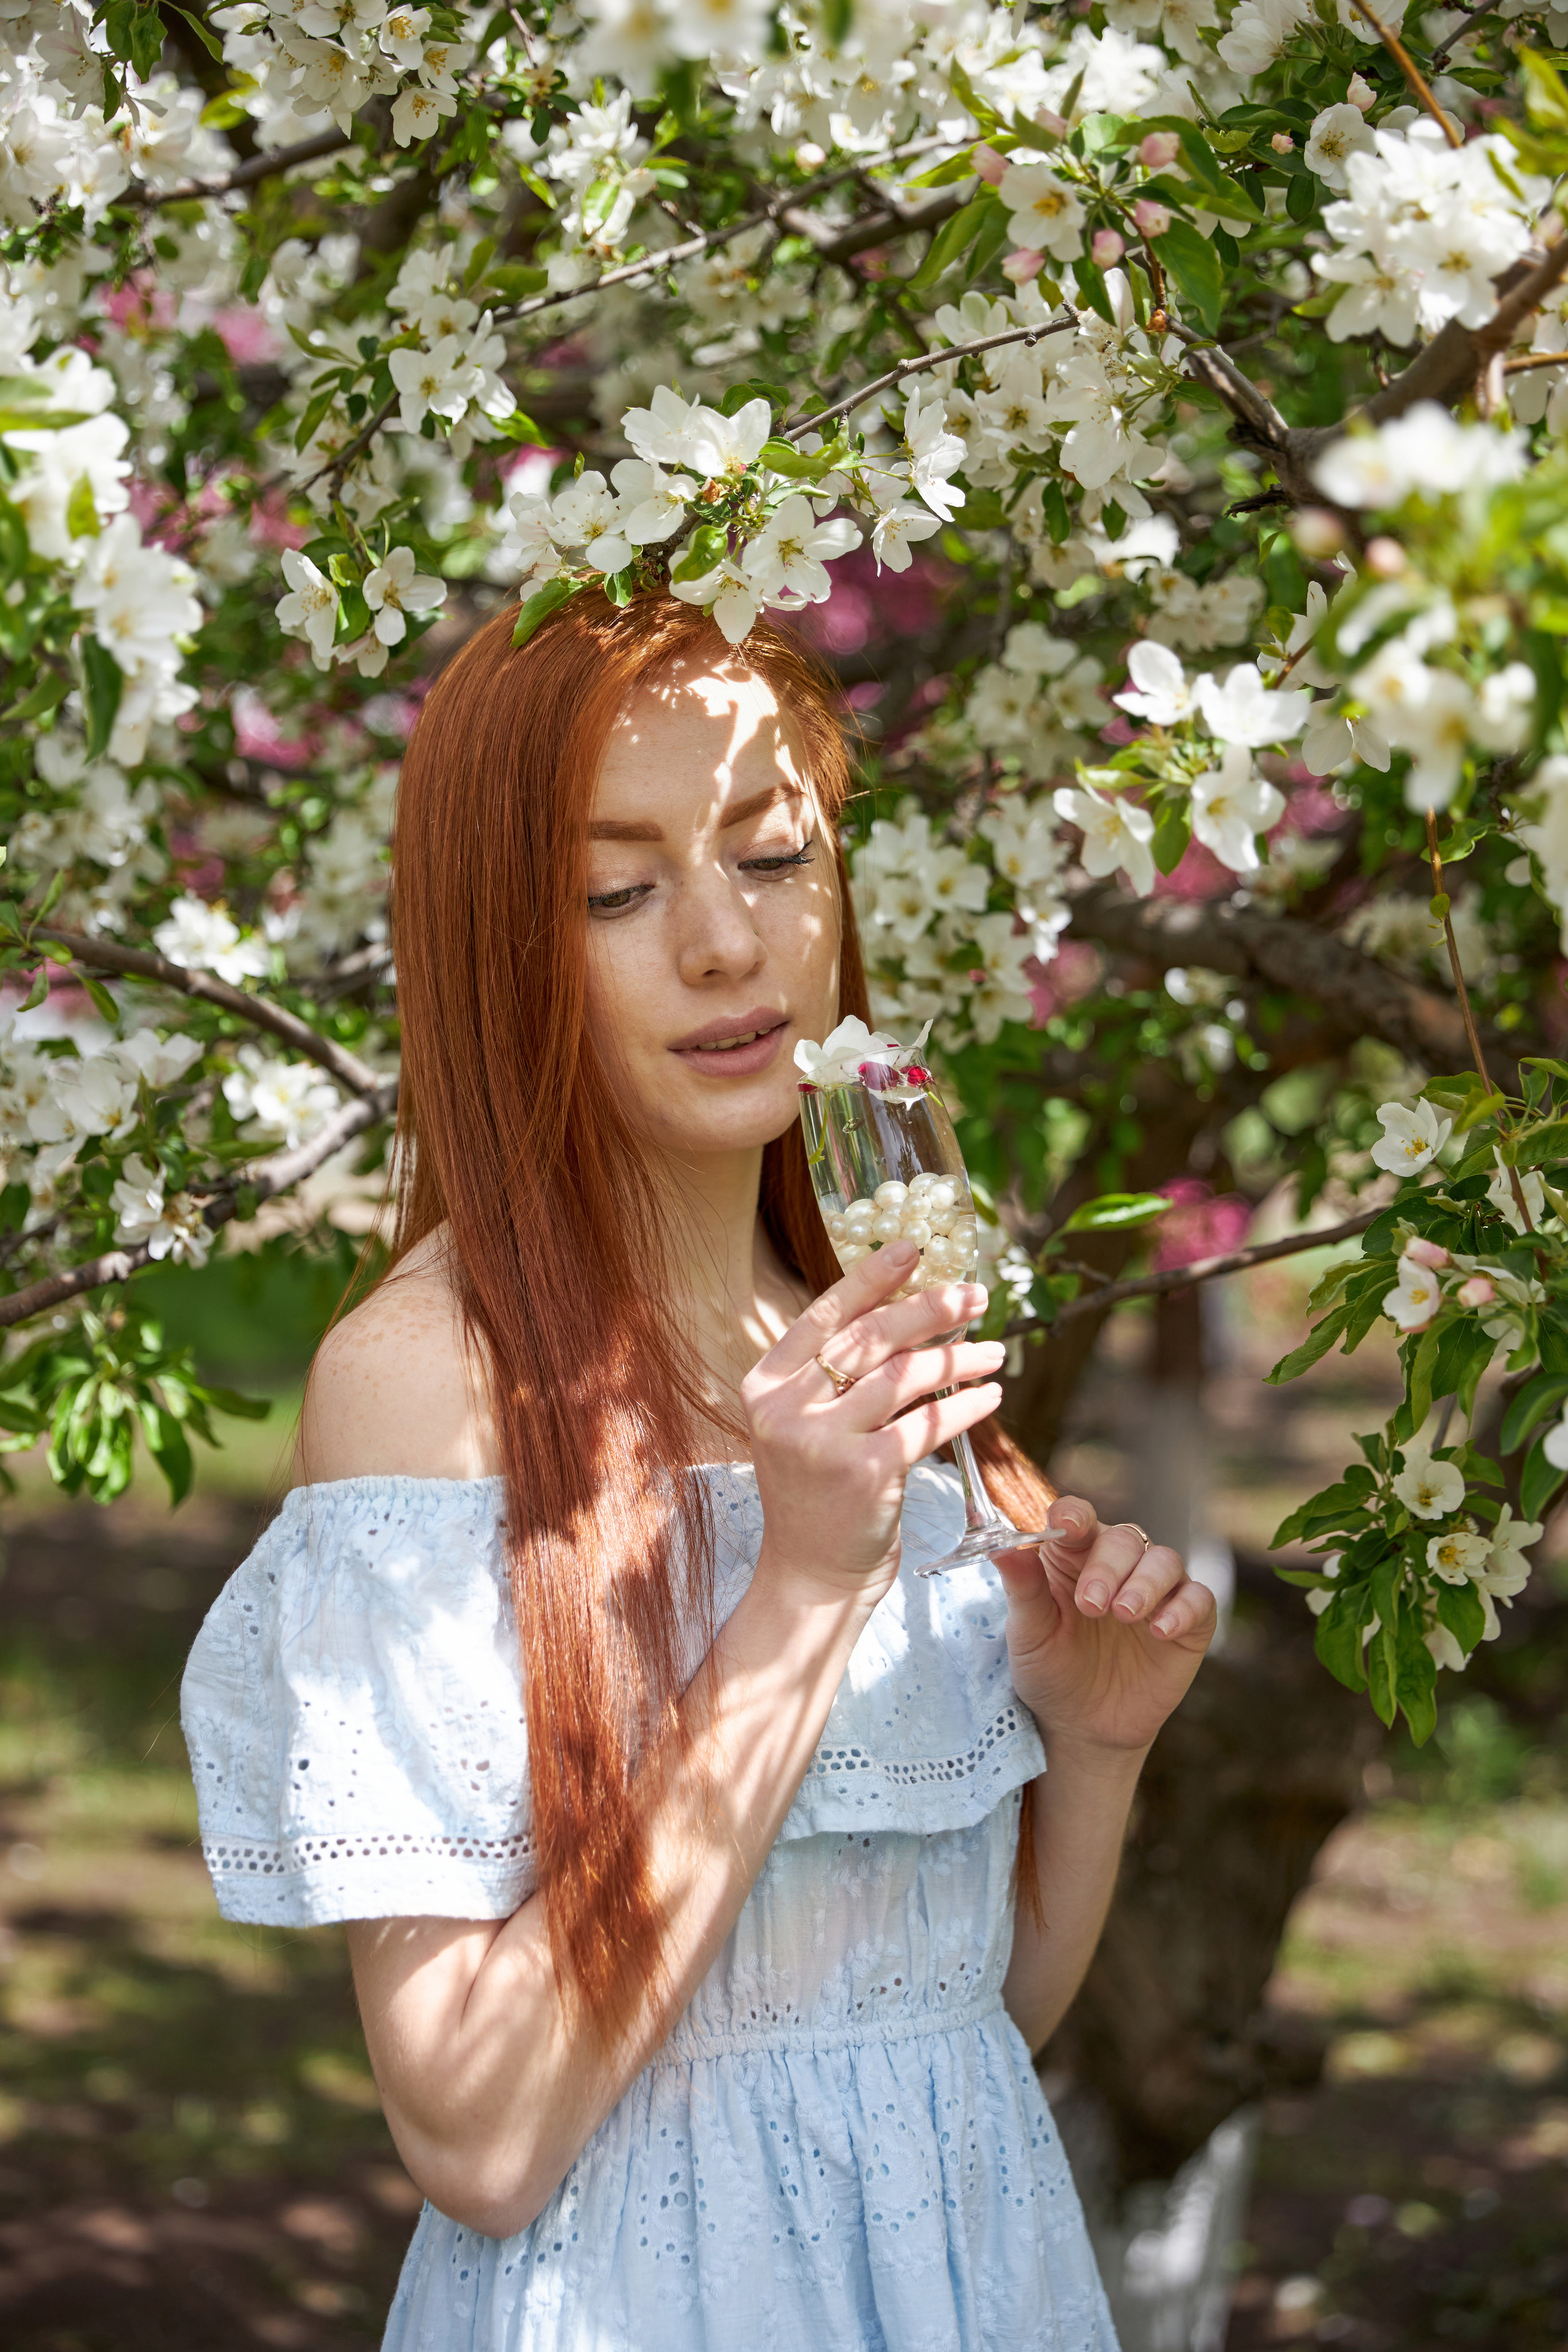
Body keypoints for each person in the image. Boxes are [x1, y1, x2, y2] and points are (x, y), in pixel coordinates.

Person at [181, 591, 1218, 2351]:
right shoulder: (433, 1383)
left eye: (772, 854)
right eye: (619, 889)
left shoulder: (857, 1326)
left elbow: (958, 2022)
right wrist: (804, 1589)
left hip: (971, 2281)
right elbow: (479, 2132)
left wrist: (1097, 1750)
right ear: (502, 934)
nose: (729, 943)